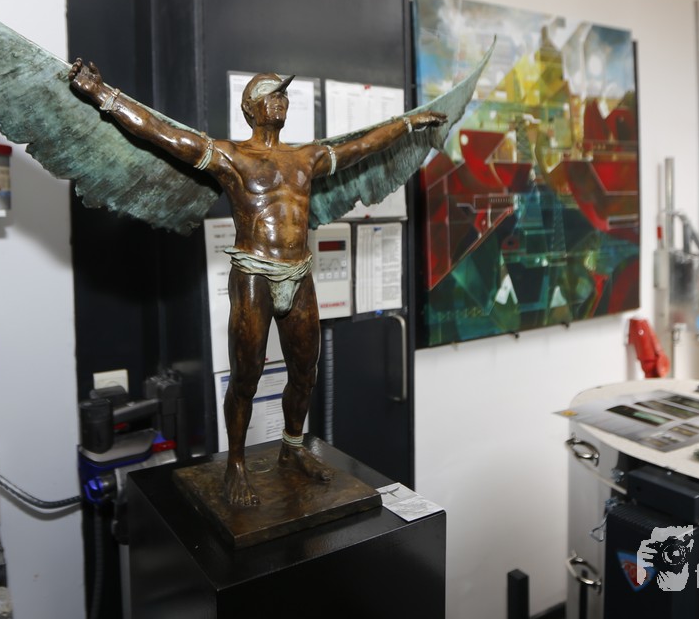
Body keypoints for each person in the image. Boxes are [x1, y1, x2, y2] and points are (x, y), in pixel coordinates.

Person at [70, 60, 448, 506]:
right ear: (251, 108)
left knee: (305, 372)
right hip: (254, 274)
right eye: (272, 94)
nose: (281, 101)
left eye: (284, 94)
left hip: (299, 272)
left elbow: (362, 146)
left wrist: (408, 124)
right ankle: (236, 463)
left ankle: (292, 448)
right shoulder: (232, 156)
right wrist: (103, 94)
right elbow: (163, 134)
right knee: (246, 376)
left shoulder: (306, 157)